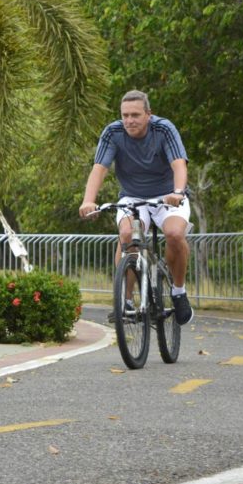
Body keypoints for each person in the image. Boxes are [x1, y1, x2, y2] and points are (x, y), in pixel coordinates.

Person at [79, 90, 194, 325]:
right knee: (127, 235)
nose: (129, 120)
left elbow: (179, 165)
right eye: (125, 115)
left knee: (174, 234)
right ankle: (127, 301)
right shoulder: (113, 132)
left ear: (148, 114)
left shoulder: (163, 129)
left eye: (135, 115)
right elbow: (99, 168)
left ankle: (179, 292)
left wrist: (178, 192)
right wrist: (88, 200)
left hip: (168, 196)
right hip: (132, 196)